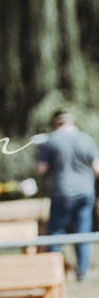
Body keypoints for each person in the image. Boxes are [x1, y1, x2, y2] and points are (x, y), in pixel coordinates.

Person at [37, 110, 99, 281]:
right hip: (85, 192)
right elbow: (97, 169)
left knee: (56, 232)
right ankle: (83, 272)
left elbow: (41, 169)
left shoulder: (50, 141)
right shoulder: (86, 139)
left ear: (57, 123)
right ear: (72, 121)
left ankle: (54, 272)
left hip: (61, 192)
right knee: (83, 232)